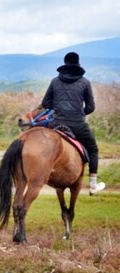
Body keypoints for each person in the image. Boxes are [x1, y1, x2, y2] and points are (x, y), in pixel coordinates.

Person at [42, 51, 105, 195]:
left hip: (56, 124)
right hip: (77, 124)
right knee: (93, 149)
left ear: (65, 63)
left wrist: (58, 108)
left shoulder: (55, 81)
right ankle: (93, 185)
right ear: (78, 63)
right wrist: (78, 112)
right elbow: (90, 108)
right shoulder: (85, 82)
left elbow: (45, 103)